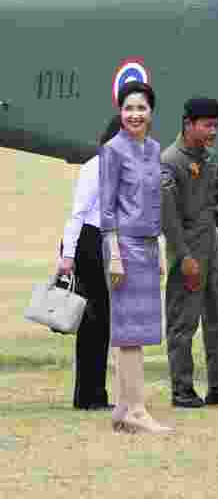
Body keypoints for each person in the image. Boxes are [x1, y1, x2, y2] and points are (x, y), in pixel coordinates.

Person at [162, 97, 218, 408]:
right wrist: (184, 256)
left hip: (212, 248)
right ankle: (182, 389)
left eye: (216, 125)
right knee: (183, 322)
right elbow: (168, 218)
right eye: (207, 125)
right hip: (186, 249)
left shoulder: (211, 159)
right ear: (188, 124)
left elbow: (216, 203)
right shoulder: (170, 161)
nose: (213, 131)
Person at [100, 82, 171, 434]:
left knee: (139, 331)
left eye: (141, 108)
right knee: (130, 332)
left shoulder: (154, 149)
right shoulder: (112, 150)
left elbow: (155, 202)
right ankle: (136, 411)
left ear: (151, 112)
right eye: (128, 108)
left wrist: (158, 246)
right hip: (123, 245)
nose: (134, 115)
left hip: (147, 243)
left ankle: (123, 409)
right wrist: (114, 254)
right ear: (120, 112)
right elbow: (107, 205)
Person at [59, 115, 123, 411]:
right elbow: (78, 213)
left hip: (105, 241)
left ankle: (95, 393)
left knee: (103, 321)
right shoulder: (94, 168)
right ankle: (87, 395)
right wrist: (67, 256)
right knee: (92, 321)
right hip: (87, 242)